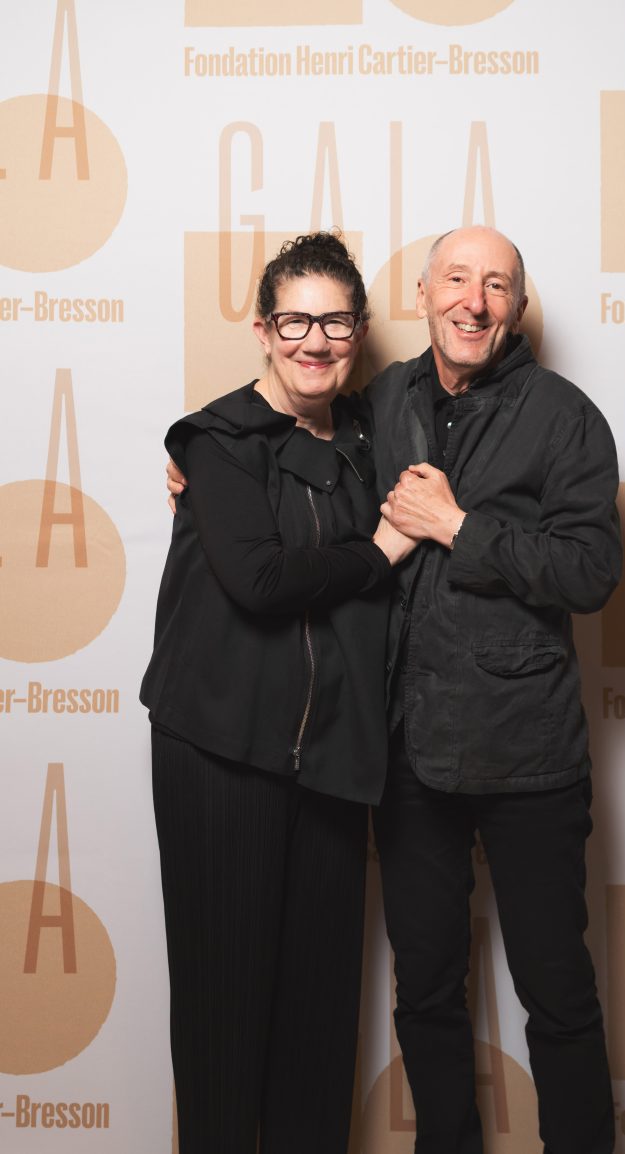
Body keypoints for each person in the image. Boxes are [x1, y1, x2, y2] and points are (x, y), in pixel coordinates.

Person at [168, 226, 622, 1154]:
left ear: (518, 308)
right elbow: (290, 445)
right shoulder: (379, 404)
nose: (474, 300)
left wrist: (461, 527)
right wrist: (207, 470)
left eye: (497, 285)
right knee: (425, 995)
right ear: (422, 294)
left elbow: (591, 570)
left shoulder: (567, 416)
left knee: (559, 996)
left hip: (527, 753)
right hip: (407, 757)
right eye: (457, 278)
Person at [141, 231, 416, 1154]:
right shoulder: (218, 440)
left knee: (317, 1023)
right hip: (220, 748)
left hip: (335, 759)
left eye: (336, 321)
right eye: (295, 319)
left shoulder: (374, 443)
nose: (315, 340)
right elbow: (259, 582)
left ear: (360, 331)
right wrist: (376, 553)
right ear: (263, 329)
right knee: (225, 1012)